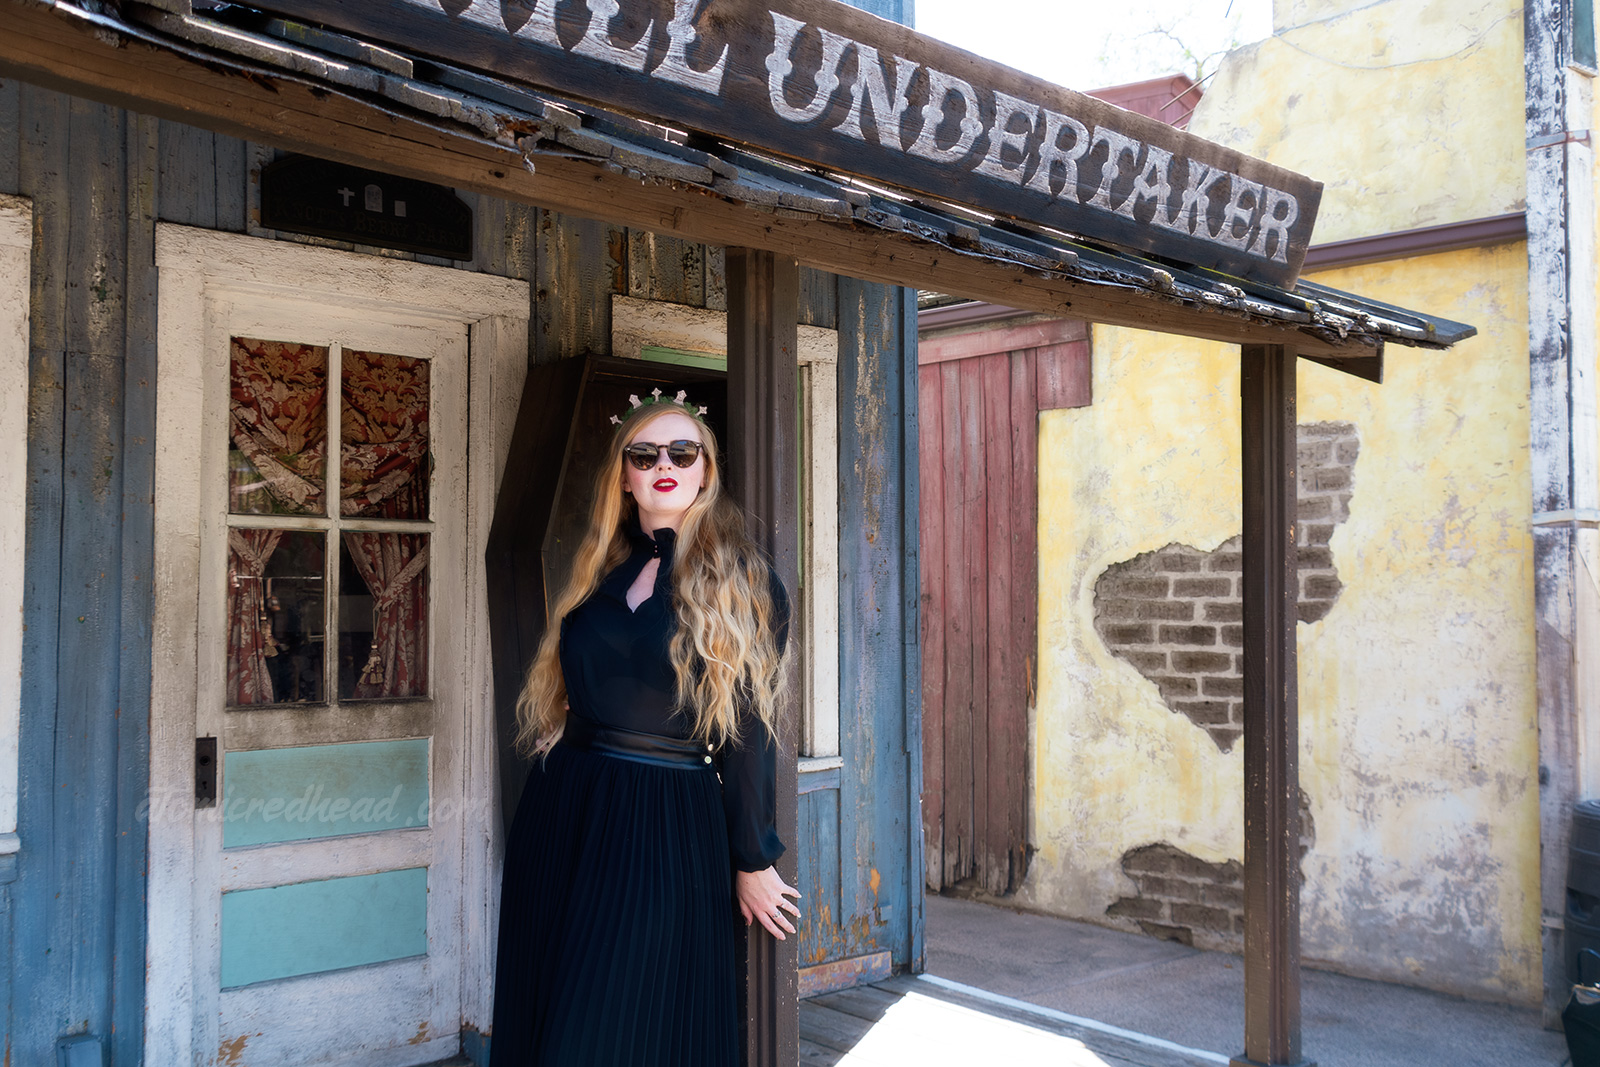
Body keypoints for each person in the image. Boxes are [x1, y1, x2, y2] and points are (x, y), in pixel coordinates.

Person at [490, 391, 801, 1067]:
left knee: (614, 1019)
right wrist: (566, 730)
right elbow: (588, 675)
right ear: (624, 474)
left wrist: (751, 855)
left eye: (682, 451)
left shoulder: (747, 582)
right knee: (546, 1000)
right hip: (565, 808)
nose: (665, 463)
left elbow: (751, 731)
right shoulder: (601, 567)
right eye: (645, 452)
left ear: (705, 471)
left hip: (663, 816)